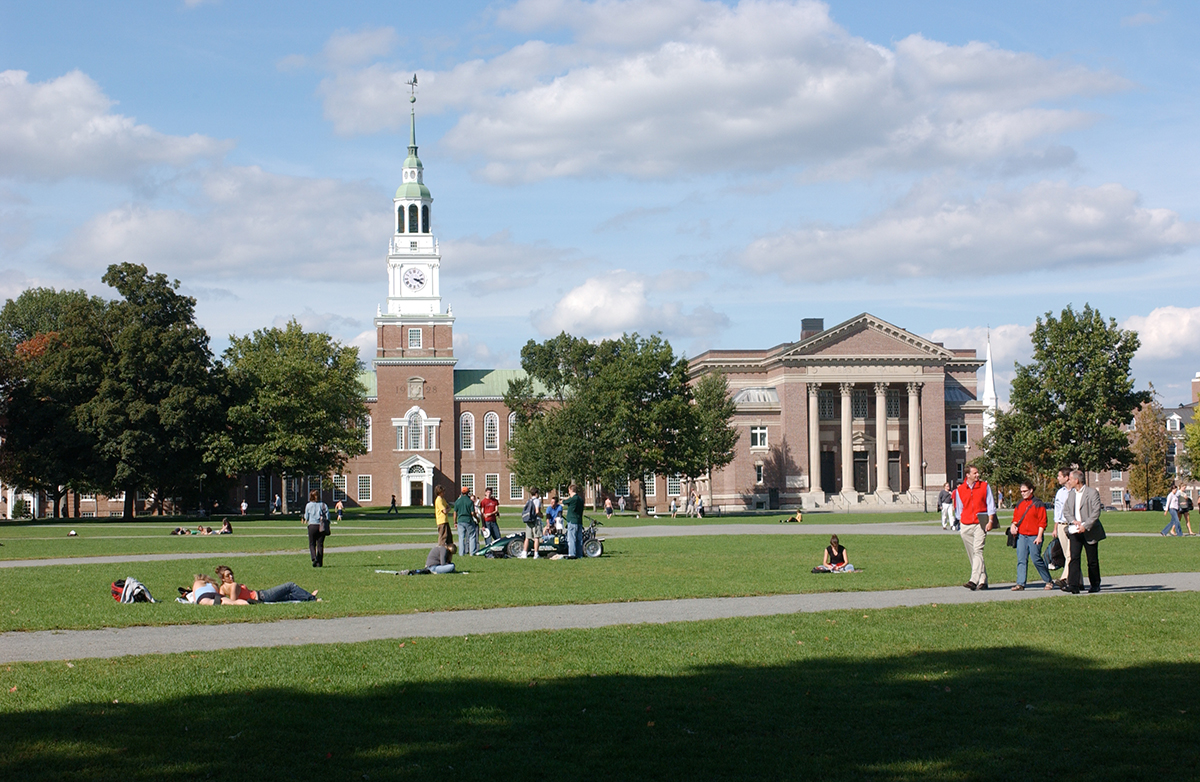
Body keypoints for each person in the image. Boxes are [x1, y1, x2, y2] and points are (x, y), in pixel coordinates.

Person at [954, 465, 996, 590]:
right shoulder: (960, 490)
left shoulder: (984, 486)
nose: (977, 475)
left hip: (980, 523)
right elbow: (959, 508)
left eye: (978, 473)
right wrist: (961, 521)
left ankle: (973, 580)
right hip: (966, 524)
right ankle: (983, 579)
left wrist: (990, 521)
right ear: (967, 475)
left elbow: (990, 504)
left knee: (978, 550)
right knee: (972, 553)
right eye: (975, 473)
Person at [1063, 469, 1105, 594]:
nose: (1068, 481)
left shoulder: (1092, 493)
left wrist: (1085, 526)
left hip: (1089, 531)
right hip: (1075, 531)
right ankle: (1073, 585)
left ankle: (1095, 584)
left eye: (1070, 479)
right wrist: (1073, 521)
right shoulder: (1071, 494)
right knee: (1074, 558)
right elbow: (1066, 510)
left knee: (1092, 560)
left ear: (1076, 480)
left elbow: (1096, 512)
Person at [1009, 480, 1053, 590]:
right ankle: (1020, 583)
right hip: (1022, 535)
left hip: (1034, 535)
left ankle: (1048, 580)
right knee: (1021, 559)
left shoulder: (1038, 503)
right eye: (1021, 491)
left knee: (1036, 558)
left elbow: (1042, 522)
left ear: (1031, 490)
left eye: (1025, 491)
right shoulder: (1019, 503)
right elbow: (1016, 518)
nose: (1023, 493)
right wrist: (1013, 526)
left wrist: (1039, 536)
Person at [214, 564, 320, 603]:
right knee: (290, 585)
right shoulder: (233, 585)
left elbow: (223, 600)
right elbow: (232, 602)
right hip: (262, 596)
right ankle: (313, 599)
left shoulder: (223, 588)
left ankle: (308, 597)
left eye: (231, 574)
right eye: (228, 575)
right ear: (222, 579)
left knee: (289, 596)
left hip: (261, 595)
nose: (231, 576)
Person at [1050, 468, 1074, 586]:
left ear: (1067, 477)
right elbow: (1057, 512)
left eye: (1059, 476)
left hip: (1072, 525)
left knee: (1070, 554)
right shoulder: (1060, 492)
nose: (1058, 478)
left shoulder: (1075, 491)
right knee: (1067, 554)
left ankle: (1064, 578)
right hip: (1061, 525)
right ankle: (1077, 581)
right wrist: (1055, 528)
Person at [303, 489, 329, 567]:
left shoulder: (308, 505)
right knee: (320, 545)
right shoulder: (323, 505)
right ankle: (319, 563)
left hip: (312, 526)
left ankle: (314, 558)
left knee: (312, 544)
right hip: (321, 526)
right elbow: (327, 516)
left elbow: (306, 517)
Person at [454, 486, 479, 556]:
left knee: (461, 537)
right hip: (468, 521)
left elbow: (455, 512)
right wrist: (477, 518)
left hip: (460, 521)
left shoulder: (457, 501)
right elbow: (472, 513)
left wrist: (455, 522)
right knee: (472, 536)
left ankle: (461, 553)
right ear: (468, 493)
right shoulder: (470, 501)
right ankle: (472, 552)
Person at [563, 483, 585, 559]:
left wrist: (564, 499)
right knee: (579, 539)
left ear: (570, 490)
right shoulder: (580, 499)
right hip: (579, 521)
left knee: (571, 538)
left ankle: (572, 554)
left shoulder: (573, 499)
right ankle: (579, 554)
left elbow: (564, 502)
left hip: (572, 521)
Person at [520, 488, 542, 559]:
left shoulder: (528, 501)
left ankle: (524, 553)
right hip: (535, 520)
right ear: (536, 494)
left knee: (527, 538)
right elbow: (537, 511)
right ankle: (536, 554)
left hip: (529, 520)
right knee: (536, 537)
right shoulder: (537, 501)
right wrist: (541, 515)